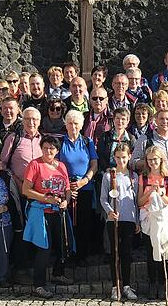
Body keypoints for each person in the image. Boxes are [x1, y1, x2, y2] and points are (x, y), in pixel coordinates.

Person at [22, 135, 73, 299]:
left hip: (59, 211)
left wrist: (66, 201)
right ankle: (39, 285)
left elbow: (67, 189)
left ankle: (58, 273)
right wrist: (45, 198)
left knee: (63, 244)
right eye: (45, 148)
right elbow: (26, 190)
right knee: (44, 248)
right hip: (40, 211)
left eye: (52, 148)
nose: (48, 151)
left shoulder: (62, 166)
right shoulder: (35, 165)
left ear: (57, 150)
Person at [100, 143, 139, 301]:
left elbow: (136, 201)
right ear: (114, 158)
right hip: (113, 219)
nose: (121, 160)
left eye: (124, 157)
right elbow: (103, 198)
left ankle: (127, 285)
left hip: (129, 219)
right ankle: (115, 285)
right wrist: (109, 211)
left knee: (126, 253)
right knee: (114, 253)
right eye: (118, 157)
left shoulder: (133, 176)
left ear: (129, 157)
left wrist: (137, 220)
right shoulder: (109, 176)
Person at [60, 110, 100, 263]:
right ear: (66, 125)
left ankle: (83, 255)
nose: (73, 126)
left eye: (76, 123)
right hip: (66, 189)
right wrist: (68, 186)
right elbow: (55, 166)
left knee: (84, 222)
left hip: (85, 188)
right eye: (70, 123)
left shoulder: (87, 141)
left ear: (81, 125)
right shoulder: (60, 142)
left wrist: (84, 181)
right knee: (69, 223)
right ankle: (69, 255)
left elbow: (94, 164)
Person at [137, 146, 168, 299]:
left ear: (161, 160)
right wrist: (149, 192)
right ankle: (152, 283)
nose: (153, 162)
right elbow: (140, 201)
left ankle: (163, 282)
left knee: (163, 251)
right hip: (148, 219)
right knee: (150, 252)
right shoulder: (143, 177)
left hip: (162, 219)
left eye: (155, 159)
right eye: (150, 160)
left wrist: (160, 193)